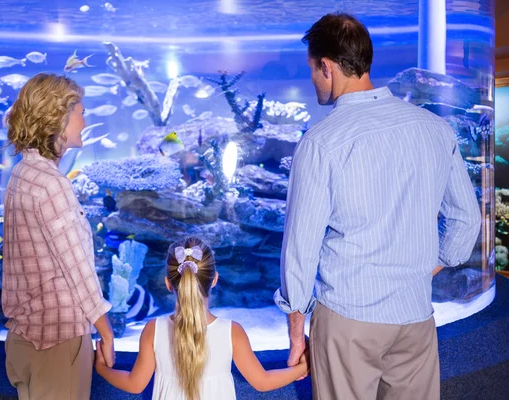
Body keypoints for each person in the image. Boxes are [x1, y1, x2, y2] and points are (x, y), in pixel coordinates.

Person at [274, 12, 482, 400]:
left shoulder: (321, 142)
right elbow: (466, 221)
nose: (313, 80)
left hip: (348, 319)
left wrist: (295, 326)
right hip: (416, 316)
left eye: (313, 70)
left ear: (327, 66)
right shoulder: (435, 129)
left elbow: (301, 248)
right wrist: (426, 267)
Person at [2, 73, 114, 400]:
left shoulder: (23, 173)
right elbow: (77, 268)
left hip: (26, 338)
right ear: (59, 117)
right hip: (57, 342)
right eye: (80, 111)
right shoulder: (51, 184)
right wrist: (105, 332)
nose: (84, 118)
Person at [95, 236, 309, 399]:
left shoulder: (154, 329)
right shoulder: (231, 331)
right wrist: (303, 366)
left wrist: (102, 369)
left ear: (168, 283)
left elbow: (135, 384)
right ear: (214, 280)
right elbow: (262, 382)